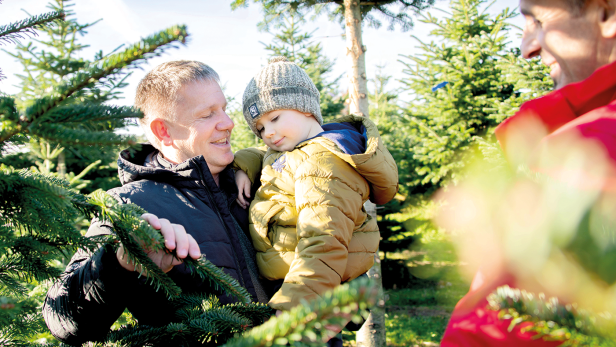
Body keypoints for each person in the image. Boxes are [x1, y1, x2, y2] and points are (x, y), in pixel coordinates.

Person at [42, 61, 268, 345]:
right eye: (208, 114)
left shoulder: (256, 177)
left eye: (223, 108)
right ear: (163, 131)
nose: (228, 122)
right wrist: (120, 261)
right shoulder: (128, 204)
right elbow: (62, 321)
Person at [441, 0, 616, 345]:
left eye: (537, 20)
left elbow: (505, 328)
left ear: (607, 13)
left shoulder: (591, 153)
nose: (527, 49)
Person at [231, 57, 399, 343]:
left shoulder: (321, 165)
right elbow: (268, 156)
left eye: (274, 118)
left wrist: (290, 315)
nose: (268, 132)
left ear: (305, 107)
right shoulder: (298, 151)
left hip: (310, 297)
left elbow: (323, 243)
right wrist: (242, 167)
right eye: (259, 128)